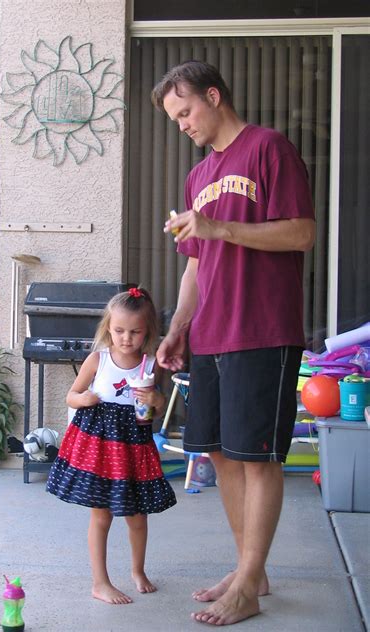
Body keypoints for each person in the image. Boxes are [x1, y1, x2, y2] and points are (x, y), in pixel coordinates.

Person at [151, 61, 315, 626]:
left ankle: (246, 582)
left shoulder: (270, 148)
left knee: (257, 457)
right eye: (175, 119)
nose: (183, 125)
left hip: (264, 328)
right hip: (212, 333)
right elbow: (196, 265)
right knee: (219, 453)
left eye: (186, 111)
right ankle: (252, 569)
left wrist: (220, 228)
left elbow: (301, 232)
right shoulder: (199, 178)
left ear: (213, 96)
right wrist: (178, 328)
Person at [46, 287, 177, 605]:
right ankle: (100, 582)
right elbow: (71, 396)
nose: (126, 338)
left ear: (147, 332)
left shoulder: (148, 365)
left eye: (135, 331)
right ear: (108, 328)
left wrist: (156, 400)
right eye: (119, 330)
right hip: (100, 448)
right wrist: (85, 398)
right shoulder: (98, 360)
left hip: (133, 446)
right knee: (101, 515)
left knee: (137, 517)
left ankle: (138, 571)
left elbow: (154, 411)